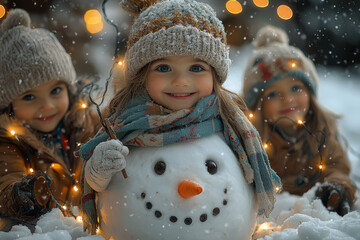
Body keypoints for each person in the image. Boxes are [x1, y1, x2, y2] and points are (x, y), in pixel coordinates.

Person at [76, 0, 281, 234]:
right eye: (164, 68)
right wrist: (99, 169)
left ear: (215, 74)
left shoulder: (231, 124)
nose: (181, 81)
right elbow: (96, 185)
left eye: (196, 68)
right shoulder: (124, 124)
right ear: (142, 75)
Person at [0, 9, 100, 231]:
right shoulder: (9, 142)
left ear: (69, 89)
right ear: (10, 105)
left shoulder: (86, 122)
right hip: (45, 232)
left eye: (56, 90)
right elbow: (5, 186)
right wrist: (26, 192)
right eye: (29, 96)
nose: (47, 105)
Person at [242, 25, 356, 216]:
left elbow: (338, 168)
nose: (288, 99)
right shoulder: (252, 140)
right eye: (273, 94)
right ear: (258, 106)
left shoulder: (323, 129)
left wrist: (337, 188)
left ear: (310, 93)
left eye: (296, 88)